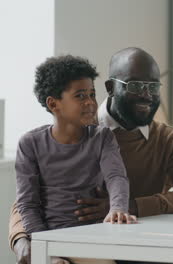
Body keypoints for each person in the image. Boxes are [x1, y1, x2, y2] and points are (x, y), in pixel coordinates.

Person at [9, 48, 173, 264]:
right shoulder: (75, 127)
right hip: (68, 244)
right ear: (110, 88)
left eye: (153, 86)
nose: (147, 95)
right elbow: (28, 200)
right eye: (135, 85)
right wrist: (22, 241)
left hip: (138, 248)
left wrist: (130, 206)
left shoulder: (166, 138)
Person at [14, 55, 136, 264]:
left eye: (92, 94)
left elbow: (116, 177)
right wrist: (46, 252)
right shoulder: (30, 144)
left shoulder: (102, 137)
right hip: (53, 238)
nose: (90, 102)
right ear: (54, 104)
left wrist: (117, 208)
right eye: (80, 96)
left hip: (95, 235)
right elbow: (28, 204)